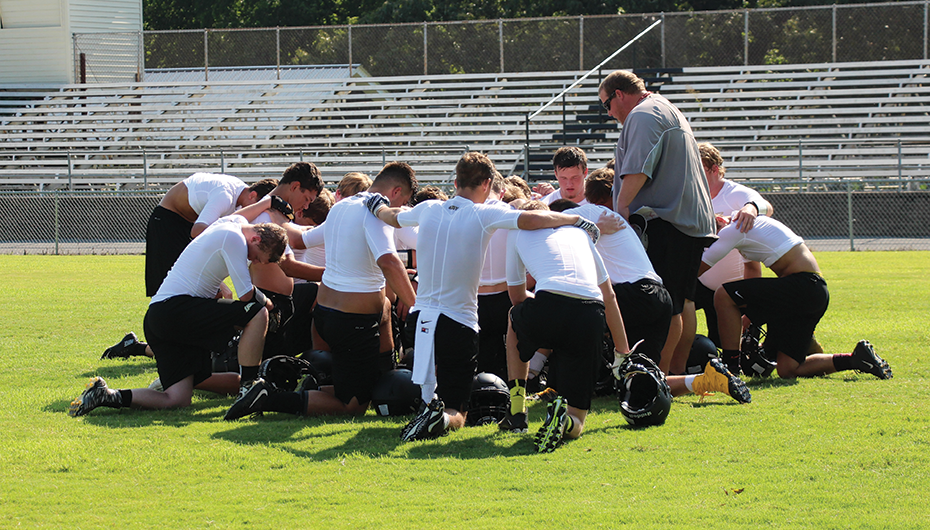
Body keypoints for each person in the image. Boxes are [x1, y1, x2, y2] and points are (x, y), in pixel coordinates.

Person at [367, 152, 621, 442]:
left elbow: (394, 217)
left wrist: (377, 207)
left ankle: (429, 410)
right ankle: (444, 415)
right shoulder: (485, 212)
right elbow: (530, 218)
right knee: (458, 413)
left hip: (420, 319)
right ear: (487, 184)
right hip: (456, 321)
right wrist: (576, 219)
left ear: (455, 181)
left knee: (429, 392)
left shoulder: (428, 209)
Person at [68, 215, 287, 418]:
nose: (254, 262)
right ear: (256, 238)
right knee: (257, 312)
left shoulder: (233, 223)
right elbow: (247, 295)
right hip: (176, 310)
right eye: (257, 257)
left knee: (177, 399)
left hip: (160, 316)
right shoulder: (235, 238)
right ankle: (250, 388)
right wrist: (271, 305)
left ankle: (106, 395)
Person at [255, 162, 418, 418]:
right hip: (351, 321)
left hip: (324, 313)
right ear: (396, 192)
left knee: (385, 307)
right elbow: (388, 261)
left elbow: (299, 240)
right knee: (352, 406)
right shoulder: (377, 210)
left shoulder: (342, 205)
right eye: (404, 202)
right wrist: (415, 305)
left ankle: (385, 378)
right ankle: (270, 398)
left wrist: (272, 213)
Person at [599, 69, 716, 374]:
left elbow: (639, 168)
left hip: (668, 222)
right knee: (682, 303)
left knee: (668, 305)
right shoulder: (664, 107)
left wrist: (621, 209)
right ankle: (672, 373)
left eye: (606, 105)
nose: (610, 114)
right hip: (684, 221)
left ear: (619, 95)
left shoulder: (643, 114)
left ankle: (659, 374)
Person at [500, 200, 632, 452]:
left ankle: (517, 408)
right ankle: (563, 420)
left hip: (550, 302)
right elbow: (609, 297)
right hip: (590, 312)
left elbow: (516, 298)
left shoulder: (516, 229)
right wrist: (623, 352)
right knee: (578, 421)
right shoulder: (578, 233)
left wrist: (545, 308)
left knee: (513, 315)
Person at [704, 216, 892, 380]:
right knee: (788, 369)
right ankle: (855, 359)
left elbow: (701, 266)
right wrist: (748, 315)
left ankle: (730, 369)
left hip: (802, 286)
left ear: (720, 221)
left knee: (723, 294)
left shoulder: (733, 229)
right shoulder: (746, 226)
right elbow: (753, 276)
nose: (714, 240)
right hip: (813, 292)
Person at [669, 142, 776, 373]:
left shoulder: (733, 193)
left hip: (731, 290)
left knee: (733, 350)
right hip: (703, 283)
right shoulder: (693, 196)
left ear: (714, 169)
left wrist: (750, 208)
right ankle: (671, 365)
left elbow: (764, 205)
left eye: (700, 170)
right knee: (672, 308)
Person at [144, 172, 277, 297]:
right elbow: (197, 231)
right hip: (168, 223)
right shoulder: (226, 195)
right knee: (166, 288)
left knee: (211, 291)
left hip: (186, 223)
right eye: (257, 206)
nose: (255, 212)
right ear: (252, 195)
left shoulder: (239, 193)